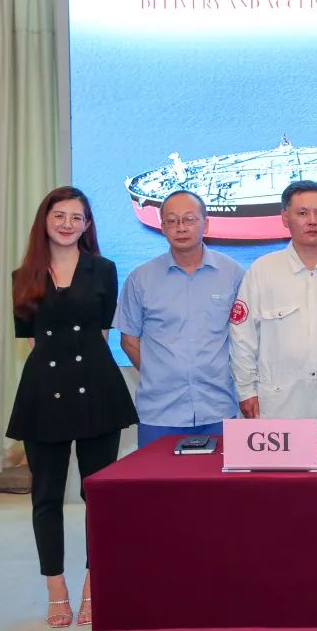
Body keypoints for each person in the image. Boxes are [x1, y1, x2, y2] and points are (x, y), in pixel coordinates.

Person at [7, 186, 138, 628]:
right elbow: (31, 341)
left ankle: (93, 585)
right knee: (45, 496)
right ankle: (56, 588)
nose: (67, 224)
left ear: (87, 225)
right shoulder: (22, 275)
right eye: (59, 215)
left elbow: (101, 333)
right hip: (43, 394)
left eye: (76, 217)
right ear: (45, 220)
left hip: (97, 389)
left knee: (96, 494)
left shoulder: (104, 269)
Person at [229, 180, 317, 430]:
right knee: (282, 459)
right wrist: (245, 390)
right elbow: (242, 337)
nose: (312, 221)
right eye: (302, 213)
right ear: (285, 218)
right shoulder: (262, 270)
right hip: (276, 400)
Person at [114, 190, 245, 447]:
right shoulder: (140, 279)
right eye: (172, 221)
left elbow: (246, 337)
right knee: (156, 475)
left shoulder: (233, 274)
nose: (181, 228)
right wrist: (158, 374)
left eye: (189, 219)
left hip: (217, 408)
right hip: (159, 412)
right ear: (162, 227)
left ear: (206, 224)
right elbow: (128, 340)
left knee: (218, 475)